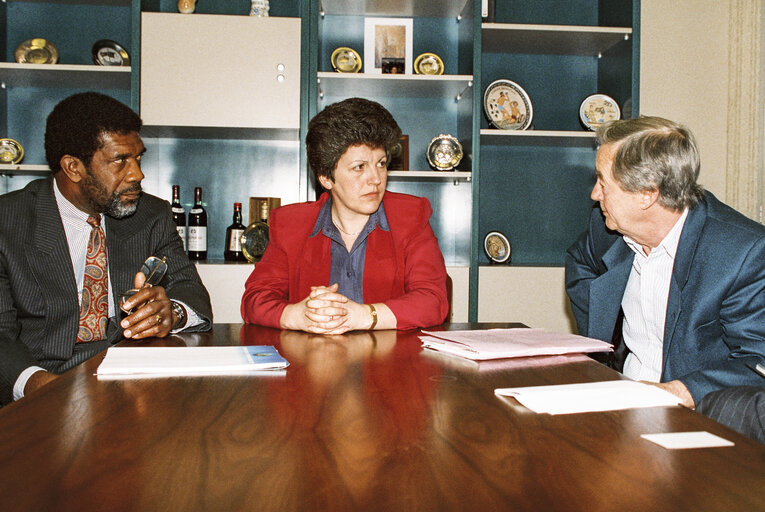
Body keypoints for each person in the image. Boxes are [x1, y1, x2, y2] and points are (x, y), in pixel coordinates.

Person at [0, 92, 212, 405]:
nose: (137, 174)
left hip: (131, 389)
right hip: (38, 386)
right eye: (120, 161)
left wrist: (172, 312)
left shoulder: (151, 215)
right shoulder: (8, 221)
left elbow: (193, 294)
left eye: (138, 157)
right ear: (73, 167)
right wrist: (40, 386)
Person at [565, 116, 765, 409]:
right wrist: (605, 350)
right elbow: (579, 261)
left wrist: (678, 392)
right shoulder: (607, 228)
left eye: (603, 182)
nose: (595, 194)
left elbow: (757, 360)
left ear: (647, 194)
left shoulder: (742, 253)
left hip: (698, 420)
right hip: (618, 407)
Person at [241, 97, 448, 333]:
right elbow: (254, 300)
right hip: (314, 364)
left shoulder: (411, 216)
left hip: (390, 363)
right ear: (326, 178)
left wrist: (363, 315)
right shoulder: (291, 225)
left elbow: (433, 301)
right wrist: (297, 315)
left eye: (380, 163)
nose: (376, 179)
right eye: (359, 167)